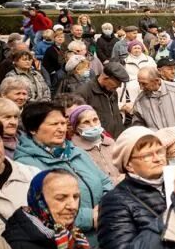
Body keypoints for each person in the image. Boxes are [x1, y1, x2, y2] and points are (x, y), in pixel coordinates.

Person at [15, 102, 112, 237]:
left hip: (105, 228)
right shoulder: (26, 164)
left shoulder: (76, 152)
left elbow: (105, 182)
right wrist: (90, 217)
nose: (61, 129)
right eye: (54, 124)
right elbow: (42, 209)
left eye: (63, 123)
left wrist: (106, 208)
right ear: (33, 129)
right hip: (68, 241)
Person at [96, 127, 168, 249]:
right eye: (147, 155)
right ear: (129, 165)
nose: (157, 158)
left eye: (159, 151)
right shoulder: (115, 201)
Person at [67, 103, 123, 185]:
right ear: (76, 128)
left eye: (95, 119)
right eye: (86, 122)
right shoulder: (75, 151)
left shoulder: (111, 143)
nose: (93, 125)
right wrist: (117, 182)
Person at [133, 67, 175, 131]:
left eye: (144, 84)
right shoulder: (140, 101)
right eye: (139, 83)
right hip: (156, 139)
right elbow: (138, 125)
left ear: (157, 81)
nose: (141, 87)